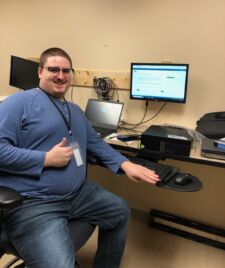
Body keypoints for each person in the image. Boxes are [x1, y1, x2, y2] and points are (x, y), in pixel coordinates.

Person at [0, 47, 159, 268]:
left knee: (120, 211)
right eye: (53, 69)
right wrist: (45, 159)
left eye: (66, 70)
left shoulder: (74, 110)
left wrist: (125, 163)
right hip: (35, 202)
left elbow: (93, 143)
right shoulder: (18, 103)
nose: (60, 75)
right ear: (40, 72)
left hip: (78, 194)